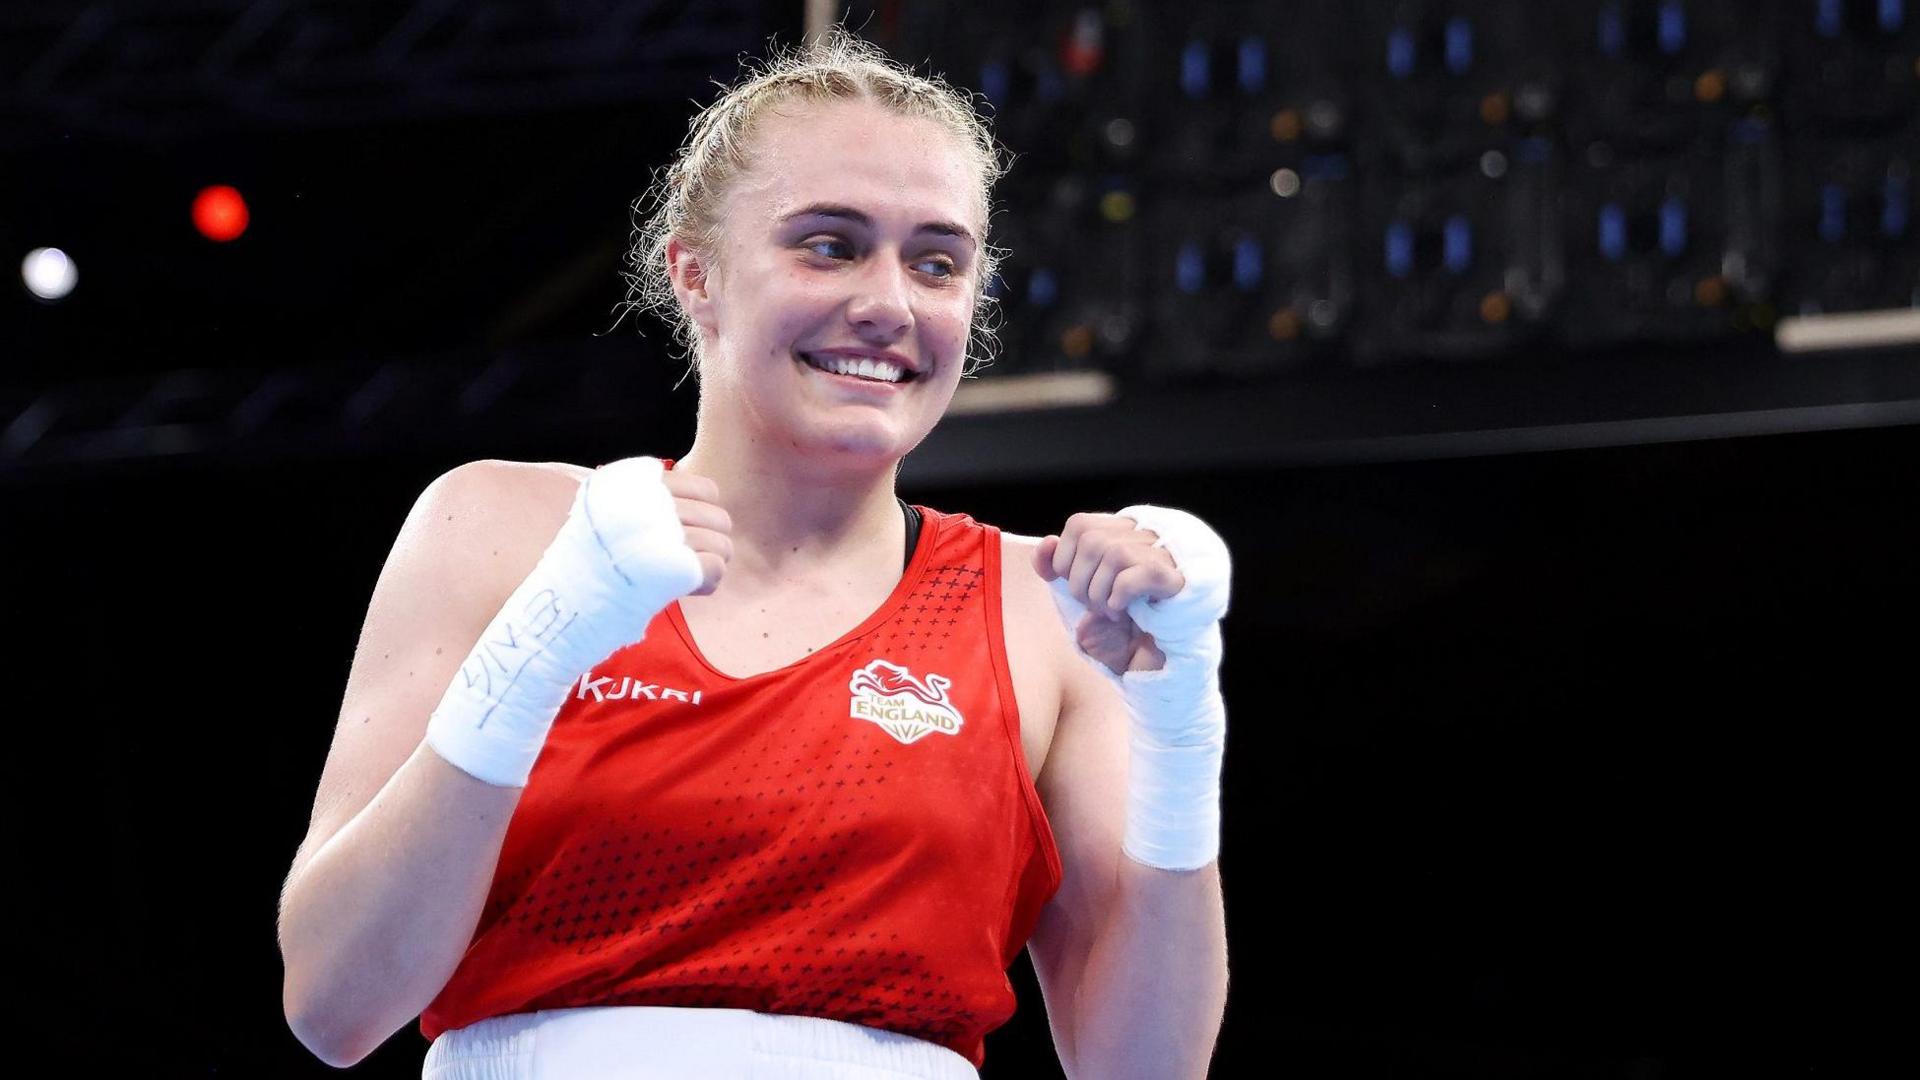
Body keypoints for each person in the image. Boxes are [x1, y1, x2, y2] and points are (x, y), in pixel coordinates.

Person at [277, 29, 1229, 1079]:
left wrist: (1180, 724)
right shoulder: (499, 530)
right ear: (697, 272)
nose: (889, 303)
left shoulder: (1038, 608)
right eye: (830, 244)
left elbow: (1146, 1069)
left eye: (937, 262)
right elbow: (335, 1001)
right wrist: (548, 633)